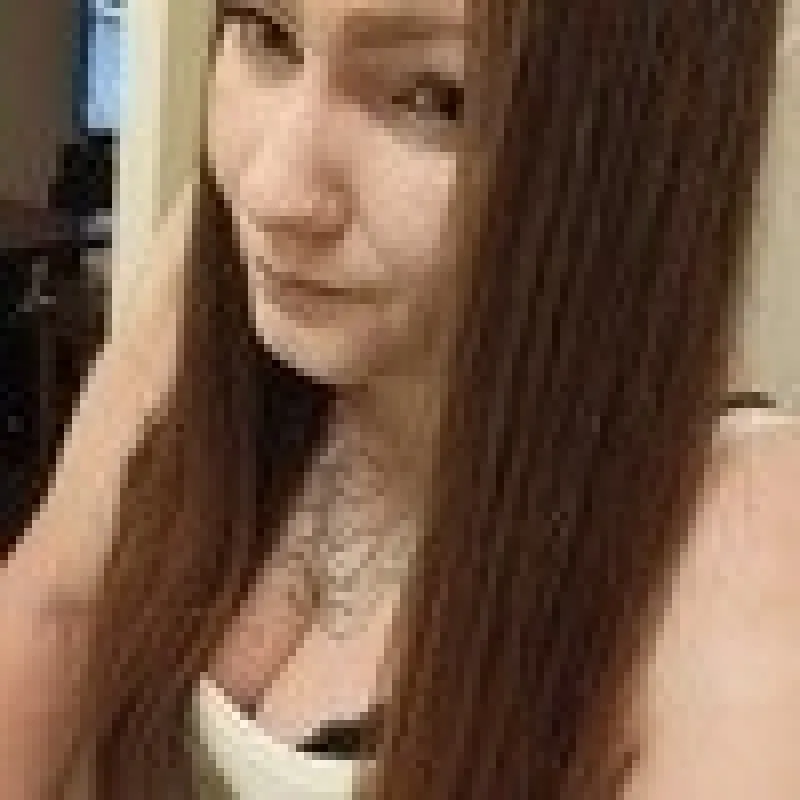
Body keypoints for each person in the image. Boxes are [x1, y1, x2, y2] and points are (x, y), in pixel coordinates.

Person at [1, 1, 797, 798]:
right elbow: (55, 605)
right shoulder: (219, 291)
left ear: (633, 140)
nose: (271, 191)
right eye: (269, 37)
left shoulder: (747, 562)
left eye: (434, 97)